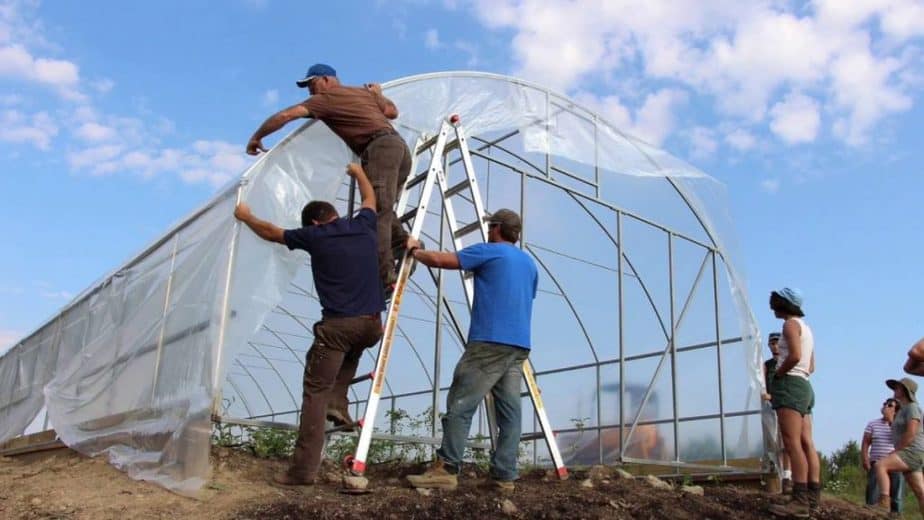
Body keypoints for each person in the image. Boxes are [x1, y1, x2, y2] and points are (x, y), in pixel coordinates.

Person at [233, 163, 384, 486]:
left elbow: (273, 233)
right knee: (351, 351)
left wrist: (246, 216)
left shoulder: (316, 236)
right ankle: (338, 403)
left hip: (340, 326)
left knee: (314, 391)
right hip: (372, 327)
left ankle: (302, 471)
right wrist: (358, 173)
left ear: (315, 222)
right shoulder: (363, 226)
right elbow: (370, 199)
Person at [246, 63, 412, 293]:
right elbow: (392, 112)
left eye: (311, 84)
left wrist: (257, 137)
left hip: (379, 149)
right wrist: (379, 95)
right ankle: (402, 244)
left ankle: (385, 277)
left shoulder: (324, 99)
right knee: (384, 205)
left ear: (326, 79)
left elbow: (286, 115)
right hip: (399, 149)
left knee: (376, 212)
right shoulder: (362, 93)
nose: (310, 91)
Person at [405, 209, 537, 493]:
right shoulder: (529, 264)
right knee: (510, 413)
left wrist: (416, 251)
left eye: (491, 227)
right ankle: (504, 475)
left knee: (461, 403)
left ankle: (447, 468)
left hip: (489, 341)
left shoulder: (490, 251)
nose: (488, 231)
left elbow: (443, 260)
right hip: (518, 345)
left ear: (498, 228)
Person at [767, 288, 821, 518]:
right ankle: (812, 496)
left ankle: (799, 501)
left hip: (790, 385)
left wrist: (779, 374)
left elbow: (796, 356)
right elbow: (811, 365)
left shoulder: (790, 325)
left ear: (783, 304)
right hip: (805, 385)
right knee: (806, 442)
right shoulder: (806, 328)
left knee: (792, 443)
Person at [872, 377, 924, 514]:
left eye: (898, 387)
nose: (895, 390)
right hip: (912, 452)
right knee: (921, 492)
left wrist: (897, 451)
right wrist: (890, 418)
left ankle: (884, 503)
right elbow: (897, 432)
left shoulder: (912, 408)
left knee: (880, 465)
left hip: (911, 452)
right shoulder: (902, 410)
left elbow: (911, 432)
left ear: (906, 391)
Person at [762, 332, 792, 494]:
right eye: (772, 343)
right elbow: (762, 385)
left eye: (777, 343)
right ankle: (777, 477)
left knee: (786, 442)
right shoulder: (767, 365)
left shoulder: (787, 363)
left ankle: (787, 476)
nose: (775, 346)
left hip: (785, 406)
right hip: (771, 408)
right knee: (773, 443)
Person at [861, 397, 903, 513]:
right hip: (876, 462)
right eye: (885, 404)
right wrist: (865, 458)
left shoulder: (899, 425)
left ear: (896, 410)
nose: (886, 406)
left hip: (895, 463)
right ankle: (870, 513)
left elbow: (902, 441)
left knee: (896, 493)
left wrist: (891, 420)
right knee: (873, 490)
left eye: (890, 405)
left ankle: (896, 514)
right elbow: (865, 442)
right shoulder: (873, 424)